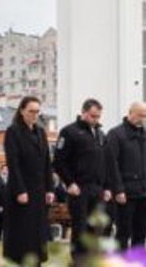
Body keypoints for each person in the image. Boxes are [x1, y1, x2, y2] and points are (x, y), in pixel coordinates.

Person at [53, 98, 114, 260]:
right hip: (79, 188)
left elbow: (106, 163)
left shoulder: (100, 134)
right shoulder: (69, 132)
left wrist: (107, 187)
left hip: (98, 189)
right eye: (93, 116)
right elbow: (58, 162)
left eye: (99, 117)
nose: (96, 120)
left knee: (97, 229)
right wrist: (69, 183)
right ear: (84, 112)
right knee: (80, 229)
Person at [3, 95, 56, 265]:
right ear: (22, 111)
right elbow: (14, 163)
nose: (34, 115)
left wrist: (50, 188)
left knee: (37, 232)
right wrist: (20, 190)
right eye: (31, 111)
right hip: (22, 191)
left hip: (39, 190)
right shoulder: (13, 131)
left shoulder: (40, 132)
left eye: (37, 111)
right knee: (22, 232)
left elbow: (47, 162)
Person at [107, 102, 146, 252]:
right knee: (123, 233)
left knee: (141, 233)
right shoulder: (116, 134)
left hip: (144, 193)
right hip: (125, 194)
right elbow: (112, 164)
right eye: (140, 115)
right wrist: (118, 189)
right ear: (130, 112)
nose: (142, 119)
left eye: (145, 116)